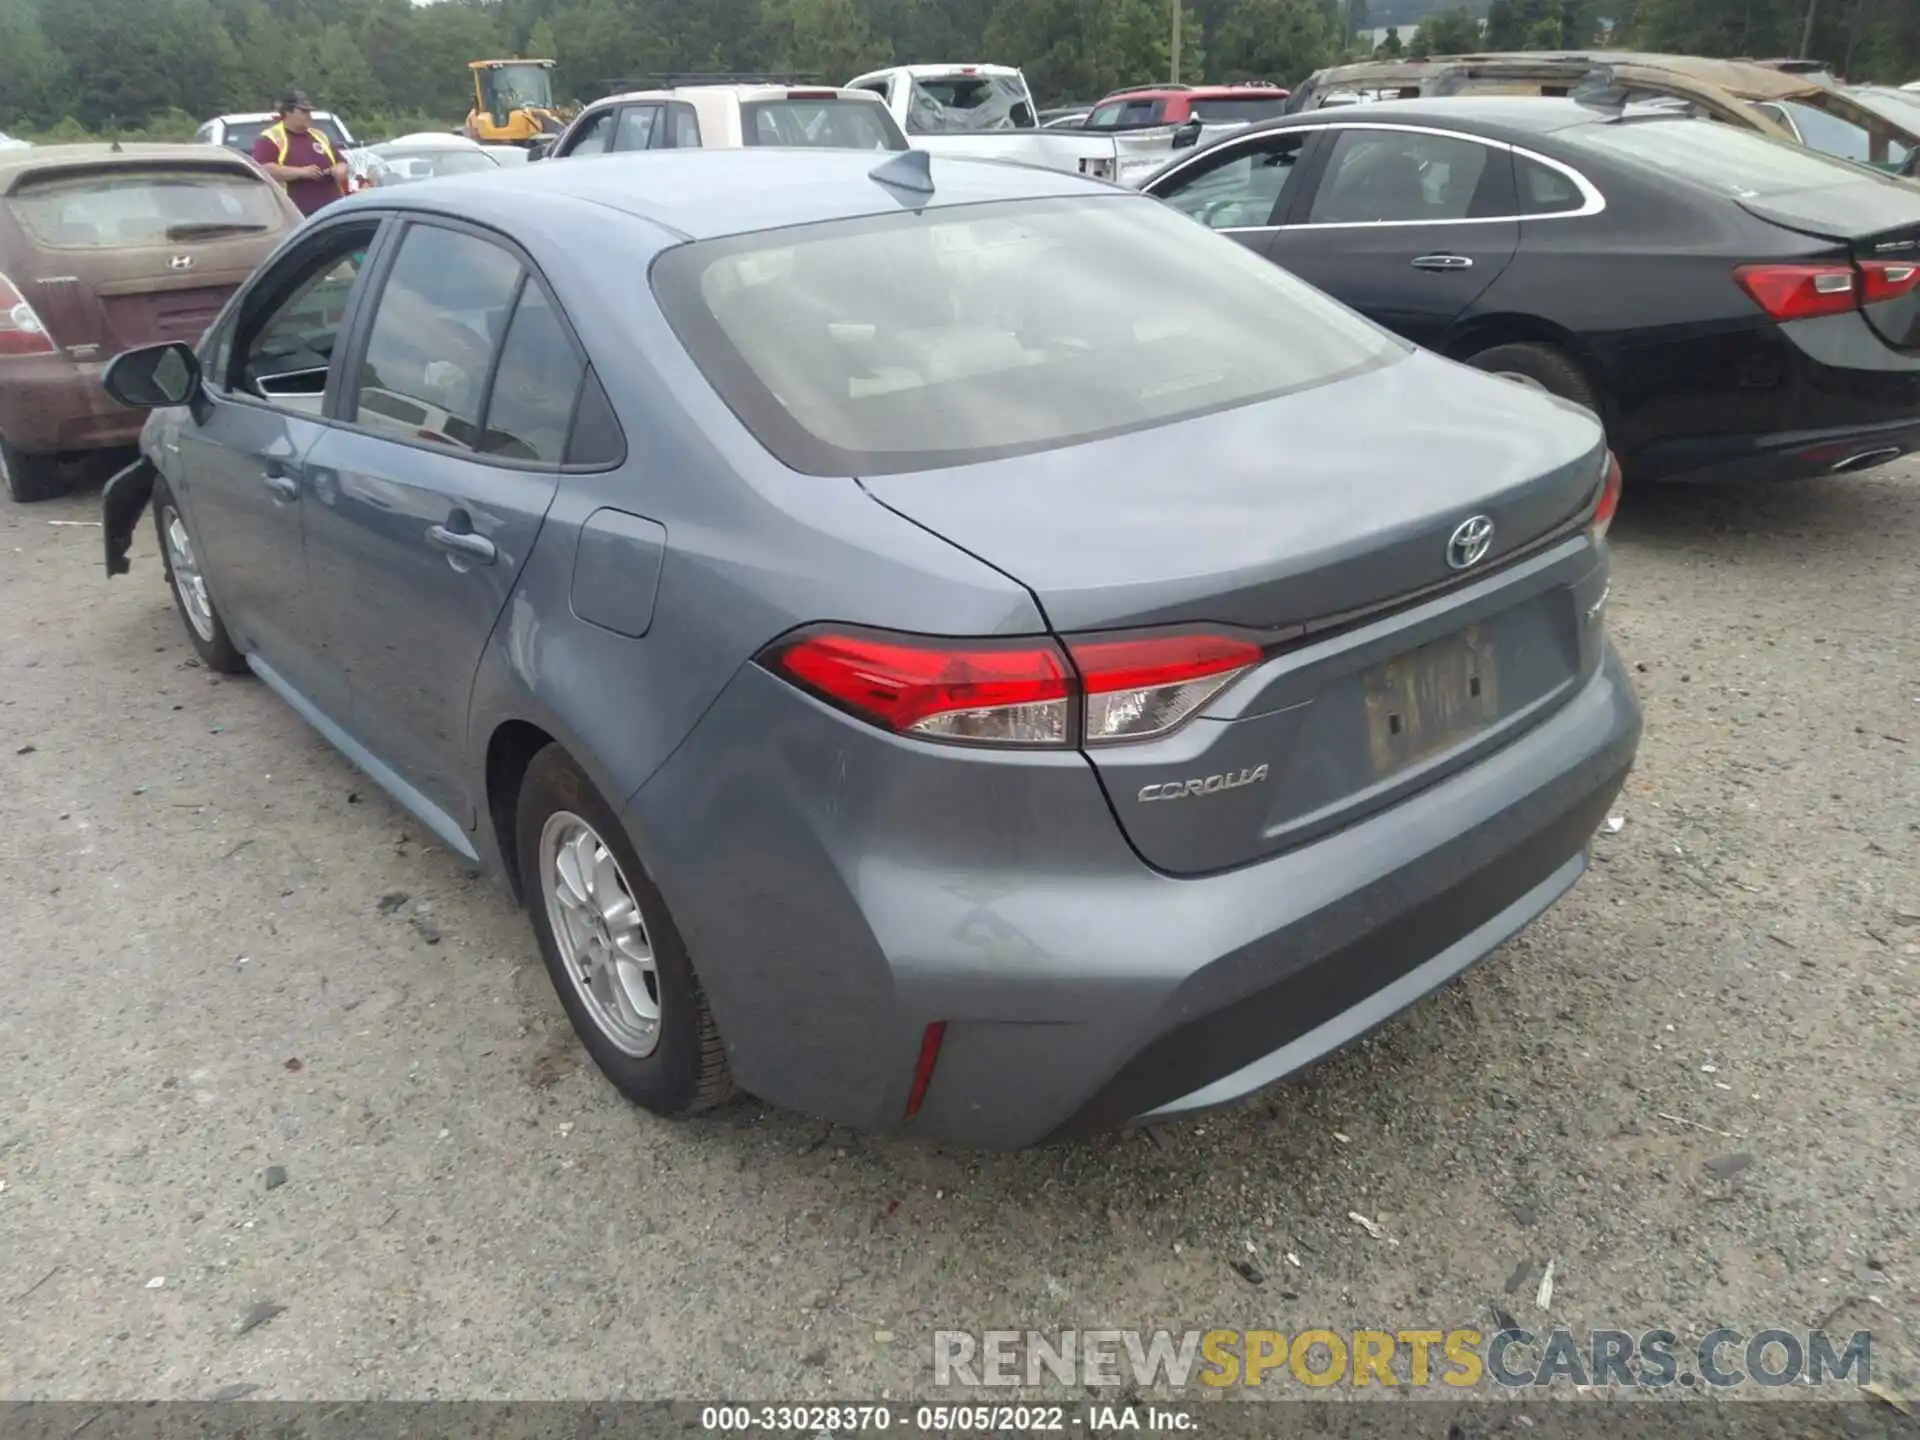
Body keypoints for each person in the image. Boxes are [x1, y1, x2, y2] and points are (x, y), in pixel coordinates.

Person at [251, 91, 348, 217]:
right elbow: (264, 169)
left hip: (330, 213)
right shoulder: (271, 138)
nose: (309, 116)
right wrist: (302, 172)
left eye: (309, 111)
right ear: (288, 112)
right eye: (304, 111)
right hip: (293, 216)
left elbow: (341, 162)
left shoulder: (319, 136)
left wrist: (338, 170)